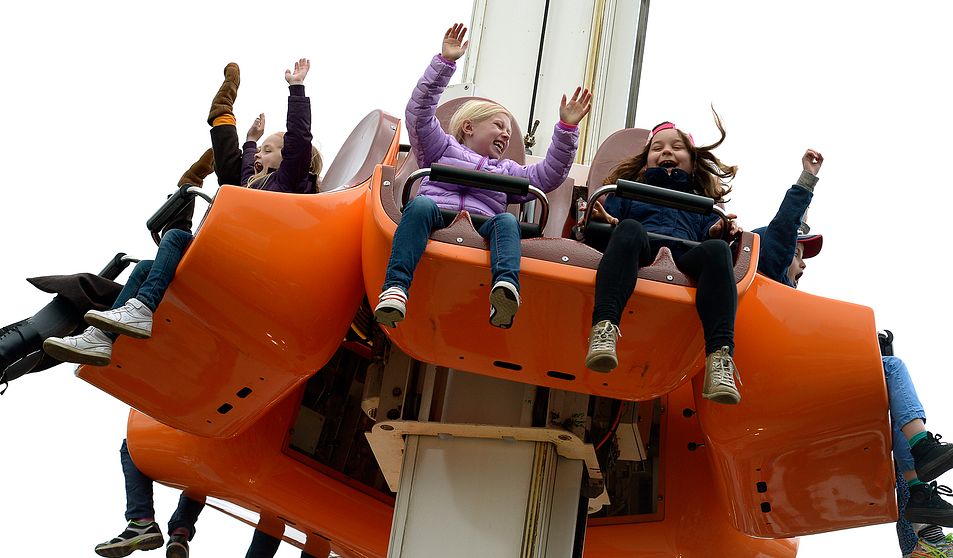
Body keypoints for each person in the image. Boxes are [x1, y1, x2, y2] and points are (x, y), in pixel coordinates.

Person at [755, 150, 953, 558]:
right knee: (891, 369)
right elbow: (781, 231)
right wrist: (806, 182)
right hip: (779, 395)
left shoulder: (782, 307)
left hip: (795, 389)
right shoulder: (766, 282)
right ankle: (924, 456)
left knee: (886, 401)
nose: (802, 266)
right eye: (799, 255)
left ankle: (921, 526)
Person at [42, 59, 322, 366]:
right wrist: (253, 140)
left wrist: (296, 87)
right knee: (144, 268)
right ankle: (100, 337)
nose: (259, 156)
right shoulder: (252, 186)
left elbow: (299, 140)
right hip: (233, 254)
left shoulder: (288, 182)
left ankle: (142, 309)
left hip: (256, 259)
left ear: (290, 158)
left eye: (270, 150)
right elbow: (244, 171)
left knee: (176, 236)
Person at [373, 22, 591, 329]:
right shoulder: (440, 147)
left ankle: (505, 288)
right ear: (468, 127)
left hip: (483, 221)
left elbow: (549, 176)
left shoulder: (506, 170)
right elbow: (419, 111)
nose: (506, 133)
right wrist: (445, 63)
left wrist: (566, 130)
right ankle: (395, 287)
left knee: (506, 221)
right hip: (438, 213)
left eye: (508, 130)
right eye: (498, 125)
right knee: (419, 206)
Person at [585, 116, 743, 405]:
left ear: (693, 162)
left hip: (685, 254)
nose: (666, 152)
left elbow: (709, 233)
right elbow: (612, 219)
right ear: (646, 163)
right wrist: (603, 217)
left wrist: (719, 231)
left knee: (718, 250)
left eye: (676, 147)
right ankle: (604, 328)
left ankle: (720, 357)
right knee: (629, 228)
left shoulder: (701, 201)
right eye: (657, 148)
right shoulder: (629, 191)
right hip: (642, 248)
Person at [93, 439, 205, 558]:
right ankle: (180, 533)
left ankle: (143, 521)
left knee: (133, 444)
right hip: (214, 463)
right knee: (202, 480)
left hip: (190, 447)